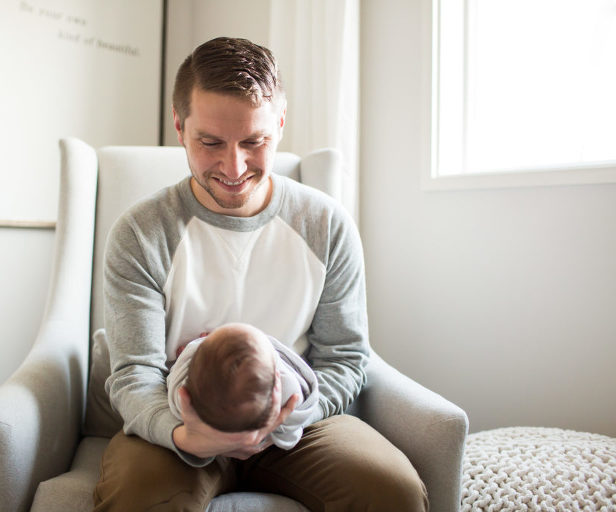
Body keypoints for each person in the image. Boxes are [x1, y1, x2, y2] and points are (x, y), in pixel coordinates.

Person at [93, 36, 428, 511]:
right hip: (178, 422)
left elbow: (345, 356)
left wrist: (285, 416)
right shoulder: (142, 233)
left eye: (255, 141)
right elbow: (135, 373)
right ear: (180, 126)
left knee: (392, 491)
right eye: (211, 142)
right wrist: (185, 434)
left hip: (299, 425)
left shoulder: (326, 226)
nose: (234, 167)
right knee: (139, 495)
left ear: (280, 123)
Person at [166, 322, 319, 449]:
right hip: (269, 447)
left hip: (200, 439)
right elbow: (292, 433)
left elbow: (173, 379)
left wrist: (194, 352)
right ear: (276, 382)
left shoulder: (186, 403)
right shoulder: (289, 392)